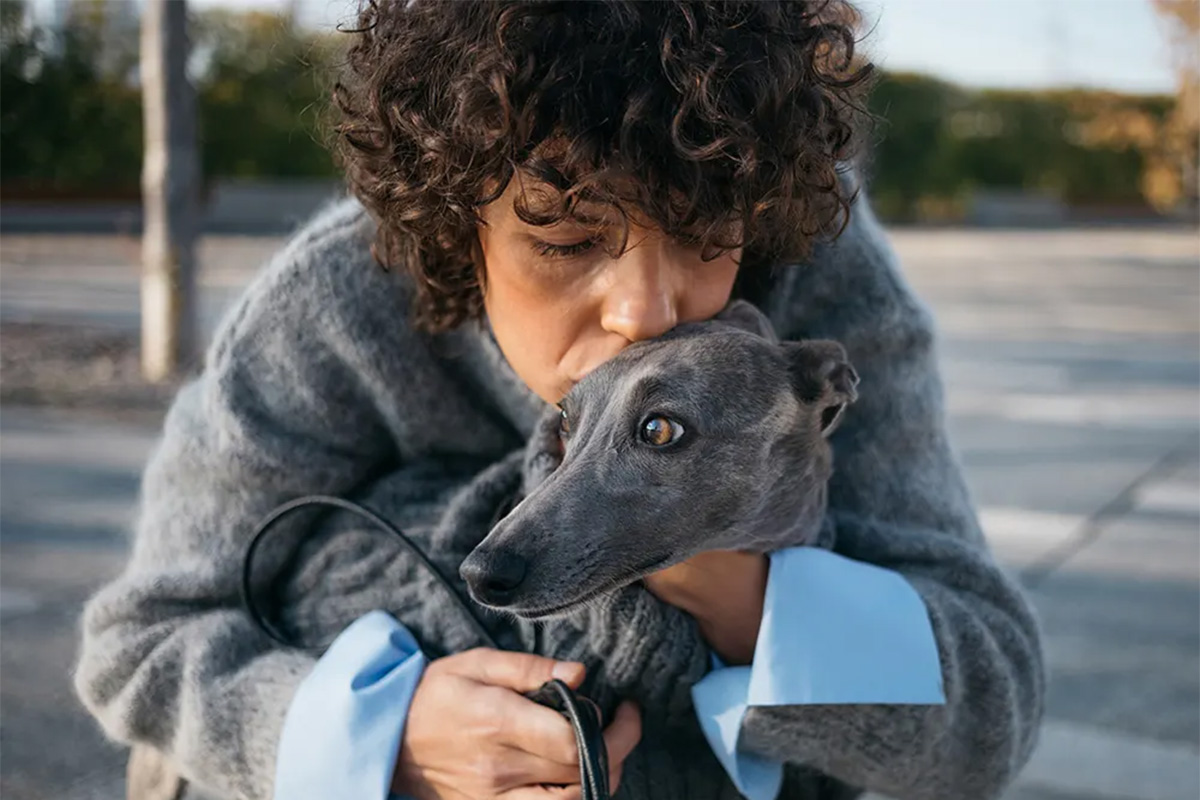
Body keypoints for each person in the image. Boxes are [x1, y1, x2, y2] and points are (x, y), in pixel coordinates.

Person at [74, 2, 1045, 800]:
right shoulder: (329, 312)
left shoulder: (822, 286)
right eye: (571, 241)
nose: (648, 308)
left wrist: (746, 602)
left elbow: (990, 706)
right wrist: (376, 736)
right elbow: (145, 641)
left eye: (705, 228)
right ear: (462, 226)